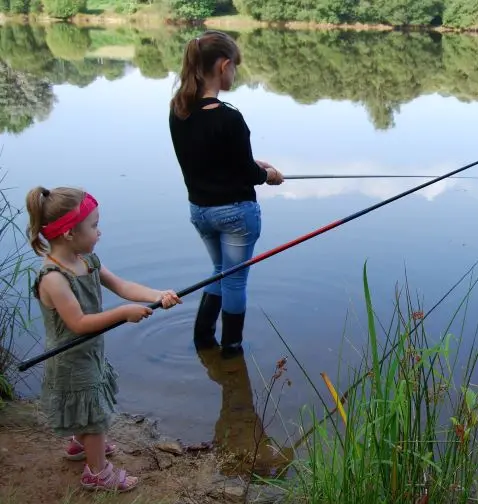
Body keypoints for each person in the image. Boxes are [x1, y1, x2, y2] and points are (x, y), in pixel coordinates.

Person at [25, 186, 182, 492]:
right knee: (94, 415)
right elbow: (79, 323)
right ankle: (98, 473)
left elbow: (122, 286)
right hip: (70, 359)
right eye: (94, 226)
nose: (100, 232)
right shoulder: (54, 278)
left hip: (89, 353)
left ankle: (79, 443)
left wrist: (158, 295)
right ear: (70, 233)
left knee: (88, 408)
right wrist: (123, 314)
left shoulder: (88, 261)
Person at [168, 30, 284, 358]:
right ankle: (232, 351)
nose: (235, 74)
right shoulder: (230, 117)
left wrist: (252, 163)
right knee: (234, 281)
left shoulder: (179, 111)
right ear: (224, 65)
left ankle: (203, 339)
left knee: (220, 271)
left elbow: (212, 158)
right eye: (235, 68)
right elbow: (248, 174)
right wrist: (268, 175)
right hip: (235, 215)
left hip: (200, 211)